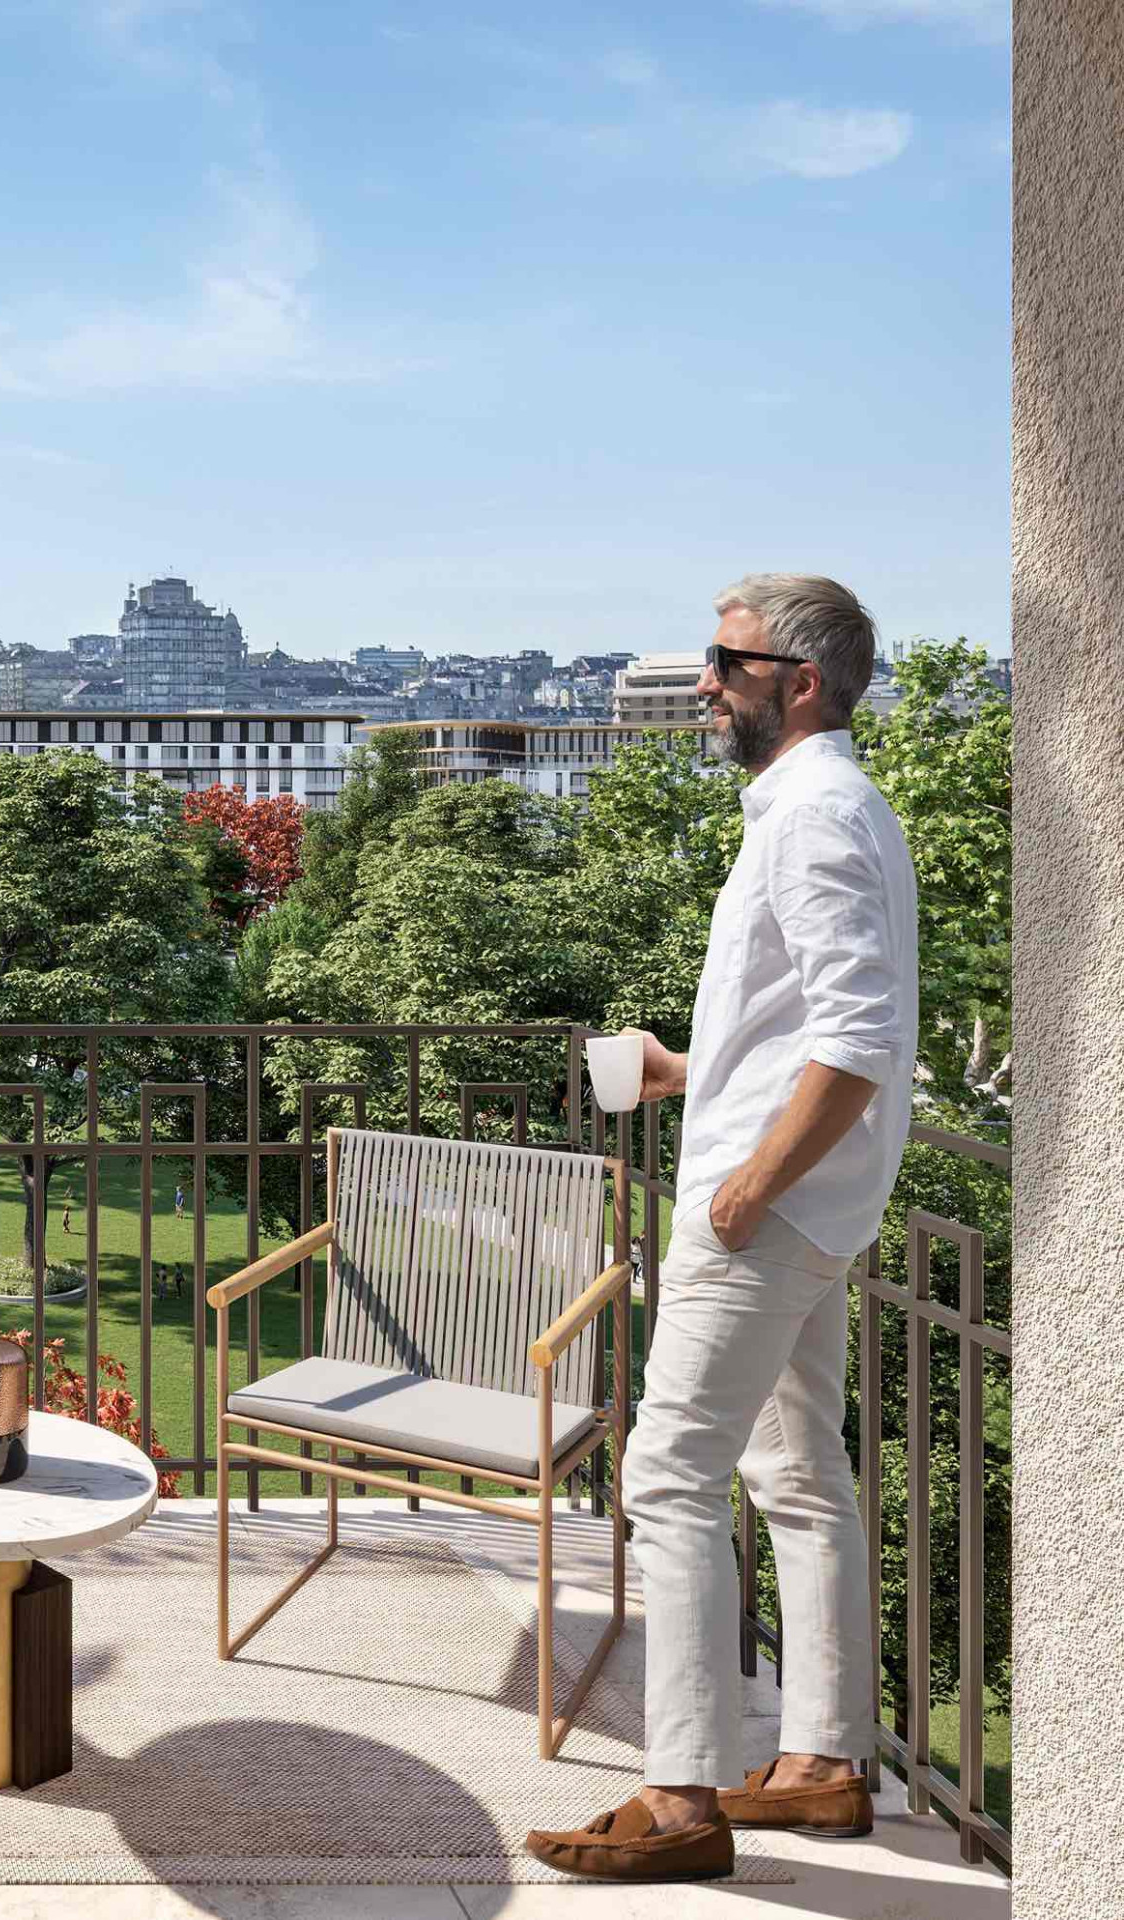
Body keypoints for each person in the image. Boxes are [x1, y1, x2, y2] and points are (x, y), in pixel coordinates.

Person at [528, 576, 915, 1884]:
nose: (703, 682)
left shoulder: (814, 818)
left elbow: (856, 1047)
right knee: (801, 1483)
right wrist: (695, 1069)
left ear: (797, 681)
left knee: (669, 1481)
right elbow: (813, 1030)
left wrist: (744, 1189)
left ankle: (678, 1794)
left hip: (766, 1219)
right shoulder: (830, 810)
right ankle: (821, 1762)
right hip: (815, 1209)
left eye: (725, 661)